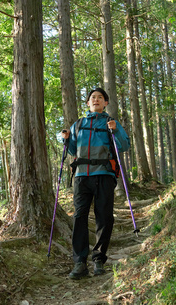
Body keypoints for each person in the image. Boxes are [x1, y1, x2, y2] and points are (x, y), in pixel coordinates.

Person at [61, 87, 130, 279]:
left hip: (104, 175)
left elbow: (124, 145)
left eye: (100, 98)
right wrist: (67, 140)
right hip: (82, 176)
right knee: (79, 217)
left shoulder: (111, 123)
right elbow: (73, 150)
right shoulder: (78, 124)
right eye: (93, 98)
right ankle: (80, 263)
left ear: (106, 103)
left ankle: (99, 259)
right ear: (88, 103)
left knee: (104, 217)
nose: (96, 100)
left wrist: (115, 131)